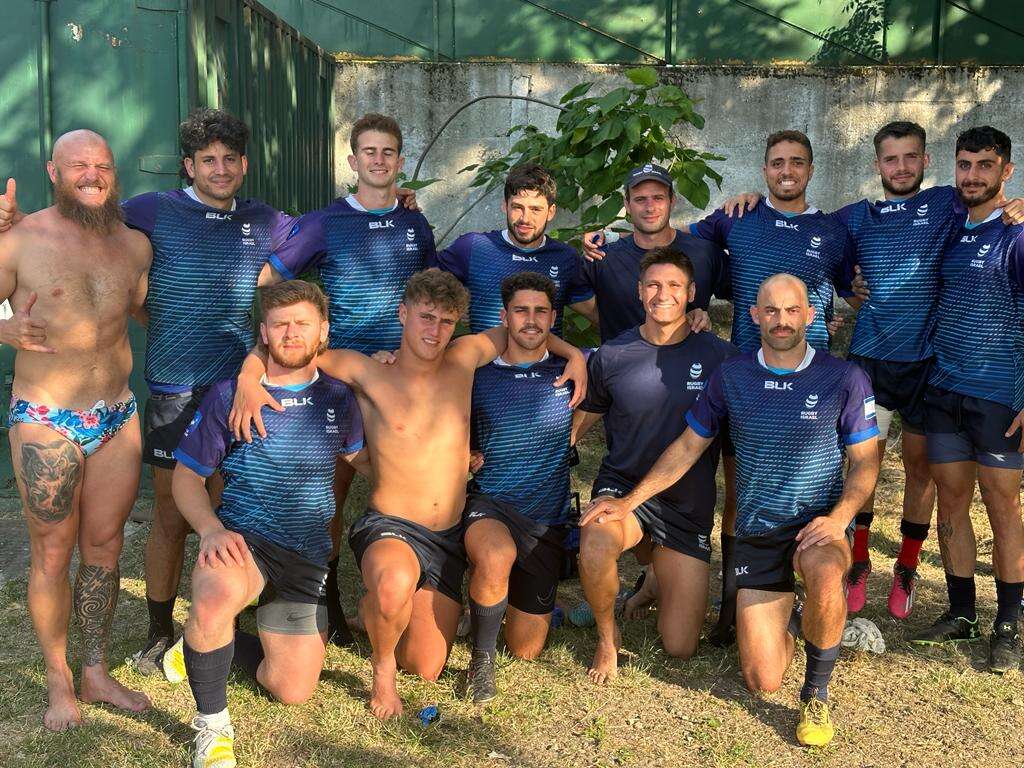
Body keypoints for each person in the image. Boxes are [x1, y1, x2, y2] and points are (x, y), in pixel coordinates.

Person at [0, 111, 420, 659]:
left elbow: (337, 225)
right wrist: (18, 221)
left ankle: (230, 615)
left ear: (243, 165)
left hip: (240, 389)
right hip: (175, 389)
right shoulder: (153, 210)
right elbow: (81, 216)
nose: (219, 170)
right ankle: (158, 630)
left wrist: (395, 202)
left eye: (229, 159)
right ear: (188, 166)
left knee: (231, 508)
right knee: (172, 516)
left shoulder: (267, 220)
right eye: (207, 160)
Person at [229, 268, 587, 719]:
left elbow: (528, 329)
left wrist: (574, 354)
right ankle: (382, 673)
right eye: (426, 317)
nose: (435, 331)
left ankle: (375, 610)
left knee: (426, 665)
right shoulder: (365, 370)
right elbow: (291, 347)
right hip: (391, 525)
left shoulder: (464, 359)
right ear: (403, 314)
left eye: (446, 321)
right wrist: (248, 377)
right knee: (395, 583)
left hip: (447, 536)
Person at [719, 122, 1024, 619]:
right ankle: (859, 559)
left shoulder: (949, 203)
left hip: (927, 365)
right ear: (877, 164)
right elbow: (808, 232)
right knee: (864, 463)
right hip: (870, 362)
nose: (900, 167)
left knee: (921, 471)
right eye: (890, 158)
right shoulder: (853, 218)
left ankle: (907, 564)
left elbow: (990, 202)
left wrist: (1019, 206)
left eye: (910, 157)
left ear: (926, 162)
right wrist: (755, 201)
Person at [585, 273, 879, 746]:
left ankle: (816, 693)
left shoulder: (844, 377)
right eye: (771, 311)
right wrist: (629, 502)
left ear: (809, 315)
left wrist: (840, 518)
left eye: (792, 310)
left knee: (825, 573)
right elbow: (688, 447)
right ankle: (798, 615)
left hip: (817, 525)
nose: (781, 321)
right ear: (755, 315)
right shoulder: (732, 375)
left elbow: (865, 463)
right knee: (762, 679)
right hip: (757, 531)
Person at [162, 280, 364, 768]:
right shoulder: (229, 395)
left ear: (324, 331)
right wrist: (211, 529)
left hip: (307, 555)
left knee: (291, 689)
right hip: (244, 541)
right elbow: (187, 479)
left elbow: (363, 461)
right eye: (280, 324)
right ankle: (212, 727)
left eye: (302, 323)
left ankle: (200, 643)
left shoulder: (339, 397)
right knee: (214, 599)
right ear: (264, 333)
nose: (291, 333)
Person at [261, 113, 436, 645]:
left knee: (400, 485)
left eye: (388, 152)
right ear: (353, 161)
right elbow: (270, 279)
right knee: (329, 496)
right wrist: (298, 338)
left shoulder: (415, 224)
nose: (379, 160)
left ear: (400, 161)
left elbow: (430, 294)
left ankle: (408, 592)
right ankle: (326, 599)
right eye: (369, 152)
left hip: (401, 380)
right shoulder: (324, 222)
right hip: (339, 380)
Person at [0, 130, 152, 730]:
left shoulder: (134, 245)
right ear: (53, 172)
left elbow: (141, 310)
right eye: (78, 165)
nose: (92, 175)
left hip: (116, 415)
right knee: (52, 552)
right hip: (47, 418)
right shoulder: (20, 239)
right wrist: (2, 327)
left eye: (102, 165)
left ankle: (94, 670)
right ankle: (58, 681)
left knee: (105, 547)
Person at [572, 247, 738, 683]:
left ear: (692, 293)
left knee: (680, 646)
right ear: (639, 291)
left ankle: (653, 580)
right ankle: (607, 638)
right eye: (654, 285)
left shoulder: (721, 357)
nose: (663, 294)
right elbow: (581, 421)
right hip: (622, 489)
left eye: (674, 286)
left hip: (687, 505)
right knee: (595, 541)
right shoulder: (613, 354)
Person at [911, 126, 1024, 673]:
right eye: (964, 164)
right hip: (944, 390)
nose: (972, 175)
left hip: (1000, 394)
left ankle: (1009, 625)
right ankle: (961, 613)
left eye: (985, 165)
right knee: (951, 501)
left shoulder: (1017, 235)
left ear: (1007, 171)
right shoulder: (952, 227)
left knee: (1003, 507)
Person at [462, 271, 576, 702]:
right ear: (504, 316)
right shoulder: (477, 374)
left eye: (540, 311)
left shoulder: (572, 371)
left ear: (553, 318)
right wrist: (462, 452)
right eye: (521, 310)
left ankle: (493, 598)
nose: (531, 320)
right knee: (495, 556)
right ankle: (481, 663)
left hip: (545, 521)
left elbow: (603, 404)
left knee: (526, 649)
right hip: (491, 504)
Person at [436, 163, 598, 335]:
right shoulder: (472, 247)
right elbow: (422, 284)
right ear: (505, 206)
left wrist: (609, 237)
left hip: (547, 353)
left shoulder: (565, 258)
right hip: (484, 352)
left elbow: (599, 316)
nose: (525, 219)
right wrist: (456, 301)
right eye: (517, 207)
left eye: (535, 209)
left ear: (551, 212)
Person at [578, 163, 730, 342]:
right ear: (627, 204)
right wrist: (609, 321)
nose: (650, 208)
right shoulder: (602, 257)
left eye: (658, 198)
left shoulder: (705, 253)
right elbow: (569, 291)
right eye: (640, 199)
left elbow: (747, 296)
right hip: (620, 358)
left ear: (672, 201)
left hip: (690, 359)